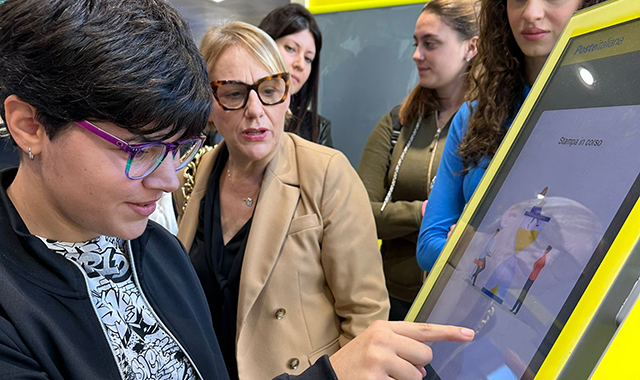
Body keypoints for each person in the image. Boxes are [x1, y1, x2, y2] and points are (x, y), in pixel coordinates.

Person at [0, 1, 476, 379]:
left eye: (271, 88)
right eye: (138, 149)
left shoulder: (149, 245)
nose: (165, 179)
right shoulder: (192, 182)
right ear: (29, 126)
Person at [175, 21, 391, 380]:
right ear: (208, 103)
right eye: (232, 93)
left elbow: (366, 318)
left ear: (287, 94)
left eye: (269, 89)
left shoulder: (324, 172)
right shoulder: (196, 174)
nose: (256, 110)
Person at [416, 0, 608, 271]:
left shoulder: (619, 113)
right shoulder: (474, 115)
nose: (531, 13)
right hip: (475, 307)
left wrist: (479, 247)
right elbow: (428, 246)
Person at [358, 0, 478, 321]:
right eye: (416, 44)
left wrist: (398, 220)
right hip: (390, 297)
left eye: (431, 44)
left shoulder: (487, 127)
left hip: (459, 301)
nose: (416, 54)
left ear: (471, 47)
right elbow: (360, 213)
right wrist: (424, 213)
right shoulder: (397, 123)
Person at [258, 4, 333, 147]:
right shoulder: (231, 109)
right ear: (265, 45)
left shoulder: (318, 129)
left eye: (308, 58)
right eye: (291, 48)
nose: (300, 64)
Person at [511, 245, 552, 314]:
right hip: (532, 276)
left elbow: (535, 265)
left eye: (545, 249)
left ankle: (515, 309)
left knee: (523, 294)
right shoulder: (544, 258)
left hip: (532, 277)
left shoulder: (543, 258)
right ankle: (515, 309)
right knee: (523, 294)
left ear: (546, 251)